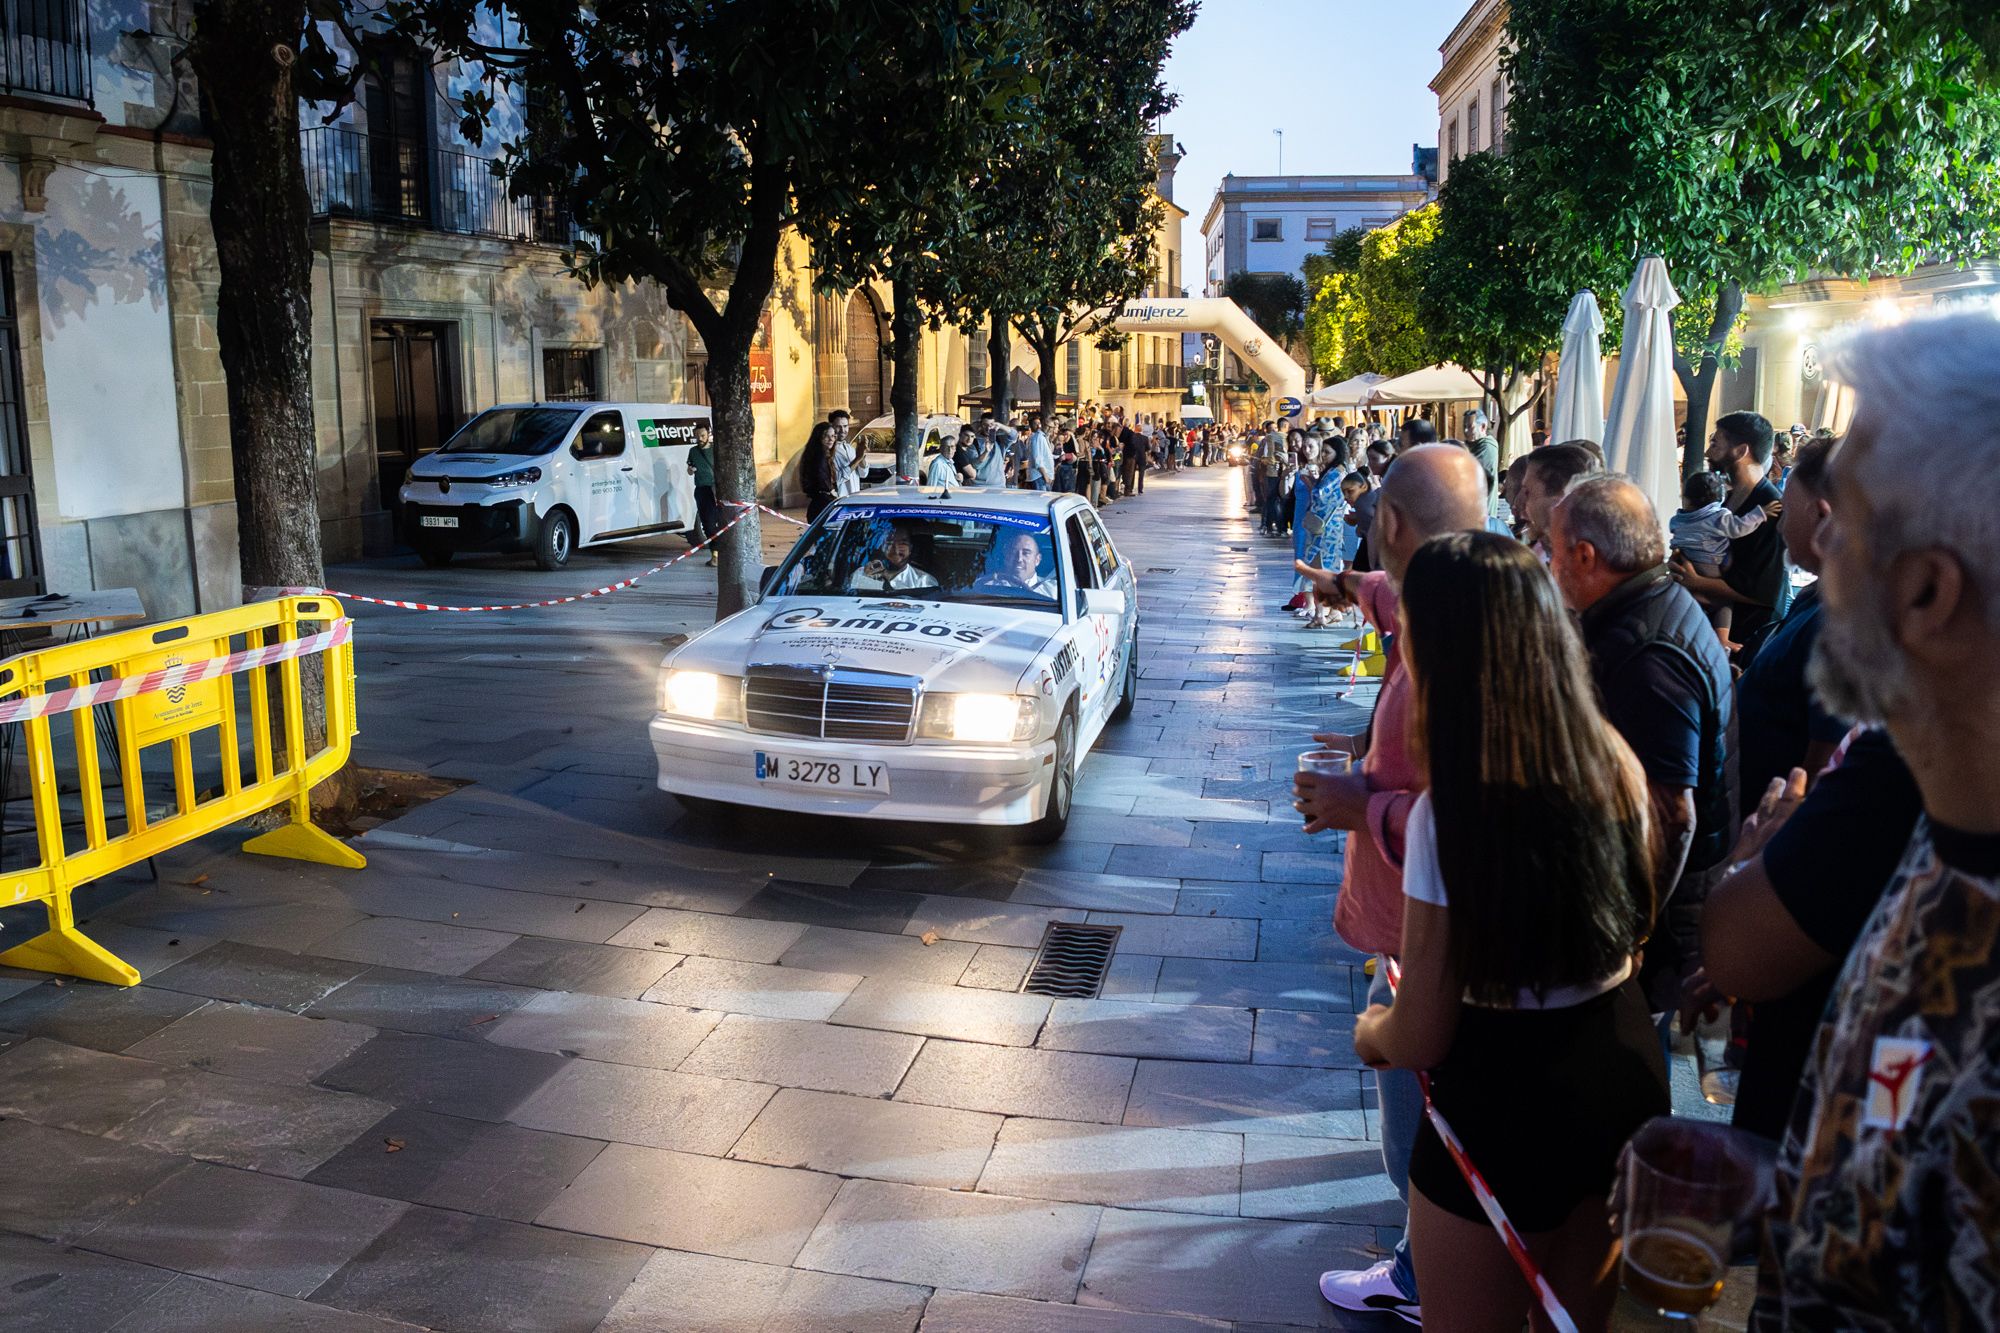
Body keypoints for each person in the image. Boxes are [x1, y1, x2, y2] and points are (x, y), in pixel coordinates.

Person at [1750, 311, 2000, 1329]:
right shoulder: (1936, 827)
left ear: (1925, 591)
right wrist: (1779, 1197)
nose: (1812, 548)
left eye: (1836, 520)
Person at [1353, 531, 1667, 1333]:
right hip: (1619, 1077)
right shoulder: (1614, 765)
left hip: (1501, 1103)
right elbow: (1634, 937)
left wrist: (1373, 1031)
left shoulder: (1450, 815)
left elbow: (1421, 1027)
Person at [1293, 444, 1490, 1327]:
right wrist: (1349, 585)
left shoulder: (1463, 647)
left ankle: (1426, 1274)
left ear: (1395, 525)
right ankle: (1429, 1262)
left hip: (1434, 938)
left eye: (1376, 524)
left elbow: (1466, 815)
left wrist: (1360, 802)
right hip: (1419, 925)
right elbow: (1398, 604)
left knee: (1425, 1129)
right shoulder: (1468, 600)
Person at [1548, 477, 1734, 1012]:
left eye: (1555, 549)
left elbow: (1675, 814)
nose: (1551, 564)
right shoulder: (1647, 607)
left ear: (1585, 556)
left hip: (1650, 923)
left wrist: (1630, 931)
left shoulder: (1648, 652)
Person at [1728, 437, 1845, 815]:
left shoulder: (1839, 627)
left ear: (1822, 516)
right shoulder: (1819, 597)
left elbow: (1820, 767)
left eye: (1788, 511)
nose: (1780, 529)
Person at [1673, 410, 1790, 657]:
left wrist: (1696, 581)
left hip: (1747, 640)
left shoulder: (1771, 508)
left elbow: (1765, 593)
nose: (1707, 452)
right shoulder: (1722, 501)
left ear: (1741, 451)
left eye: (1715, 442)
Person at [1668, 469, 1780, 649]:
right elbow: (1738, 528)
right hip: (1708, 565)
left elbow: (1675, 539)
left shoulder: (1677, 519)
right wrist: (1760, 513)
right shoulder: (1717, 516)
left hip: (1685, 560)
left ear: (1686, 498)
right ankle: (1722, 638)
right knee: (1724, 602)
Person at [1513, 443, 1600, 550]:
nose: (1518, 504)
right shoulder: (1538, 551)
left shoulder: (1591, 559)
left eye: (1528, 492)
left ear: (1561, 497)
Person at [848, 524, 939, 592]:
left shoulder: (924, 581)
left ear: (910, 548)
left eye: (902, 543)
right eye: (889, 543)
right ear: (881, 547)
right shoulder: (861, 574)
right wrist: (867, 580)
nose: (895, 550)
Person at [974, 530, 1057, 598]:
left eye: (1026, 553)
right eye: (1013, 552)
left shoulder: (1054, 592)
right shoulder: (987, 587)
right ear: (1006, 557)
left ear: (1037, 560)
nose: (1019, 559)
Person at [686, 420, 723, 568]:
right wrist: (691, 470)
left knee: (718, 521)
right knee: (707, 523)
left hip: (715, 489)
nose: (700, 439)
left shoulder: (715, 450)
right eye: (697, 436)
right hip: (701, 489)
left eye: (702, 435)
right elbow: (689, 470)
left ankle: (719, 552)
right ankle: (715, 553)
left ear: (708, 434)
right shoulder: (693, 451)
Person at [1461, 409, 1500, 518]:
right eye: (1464, 426)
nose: (1465, 430)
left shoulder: (1488, 446)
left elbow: (1468, 472)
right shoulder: (1467, 445)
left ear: (1483, 427)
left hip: (1483, 515)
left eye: (1470, 427)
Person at [799, 421, 838, 522]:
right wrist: (832, 493)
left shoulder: (824, 455)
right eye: (827, 436)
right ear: (819, 437)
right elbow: (823, 481)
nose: (831, 439)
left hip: (820, 503)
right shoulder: (819, 457)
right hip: (823, 505)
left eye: (833, 436)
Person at [828, 409, 860, 497]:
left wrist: (862, 455)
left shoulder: (850, 449)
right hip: (840, 500)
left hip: (854, 498)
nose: (842, 430)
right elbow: (837, 478)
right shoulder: (829, 451)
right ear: (831, 426)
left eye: (845, 426)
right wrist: (858, 459)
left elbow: (863, 474)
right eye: (838, 426)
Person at [1027, 417, 1056, 491]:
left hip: (1044, 476)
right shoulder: (1038, 437)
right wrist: (1045, 476)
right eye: (1048, 426)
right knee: (1041, 501)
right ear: (1042, 425)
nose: (1050, 429)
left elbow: (1046, 456)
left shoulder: (1044, 437)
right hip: (1040, 476)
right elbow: (1037, 459)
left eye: (1052, 427)